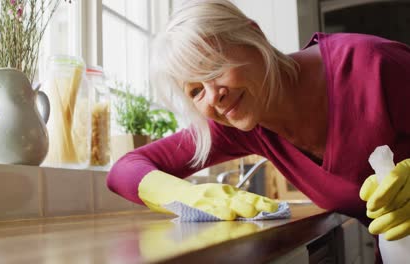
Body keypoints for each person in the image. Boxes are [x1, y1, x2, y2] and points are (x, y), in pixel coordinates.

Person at [107, 0, 410, 261]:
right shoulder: (239, 125)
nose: (213, 96)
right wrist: (187, 195)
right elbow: (124, 170)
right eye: (196, 90)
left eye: (215, 65)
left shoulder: (374, 65)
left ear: (254, 35)